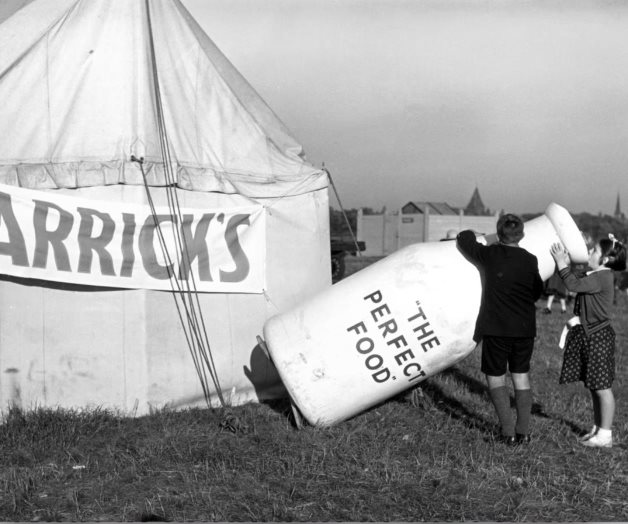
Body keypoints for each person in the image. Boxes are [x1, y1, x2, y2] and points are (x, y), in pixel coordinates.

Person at [457, 214, 544, 446]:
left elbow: (463, 239)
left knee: (495, 377)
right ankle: (523, 432)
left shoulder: (490, 254)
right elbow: (537, 290)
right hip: (525, 328)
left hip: (496, 328)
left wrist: (476, 234)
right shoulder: (530, 260)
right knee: (521, 376)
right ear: (522, 235)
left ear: (498, 234)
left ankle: (507, 432)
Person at [550, 234, 627, 448]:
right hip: (591, 334)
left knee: (602, 387)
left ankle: (605, 435)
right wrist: (567, 260)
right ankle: (598, 428)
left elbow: (573, 284)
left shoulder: (601, 277)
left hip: (597, 336)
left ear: (605, 260)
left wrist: (560, 262)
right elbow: (577, 277)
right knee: (594, 385)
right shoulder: (597, 273)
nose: (589, 253)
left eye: (594, 251)